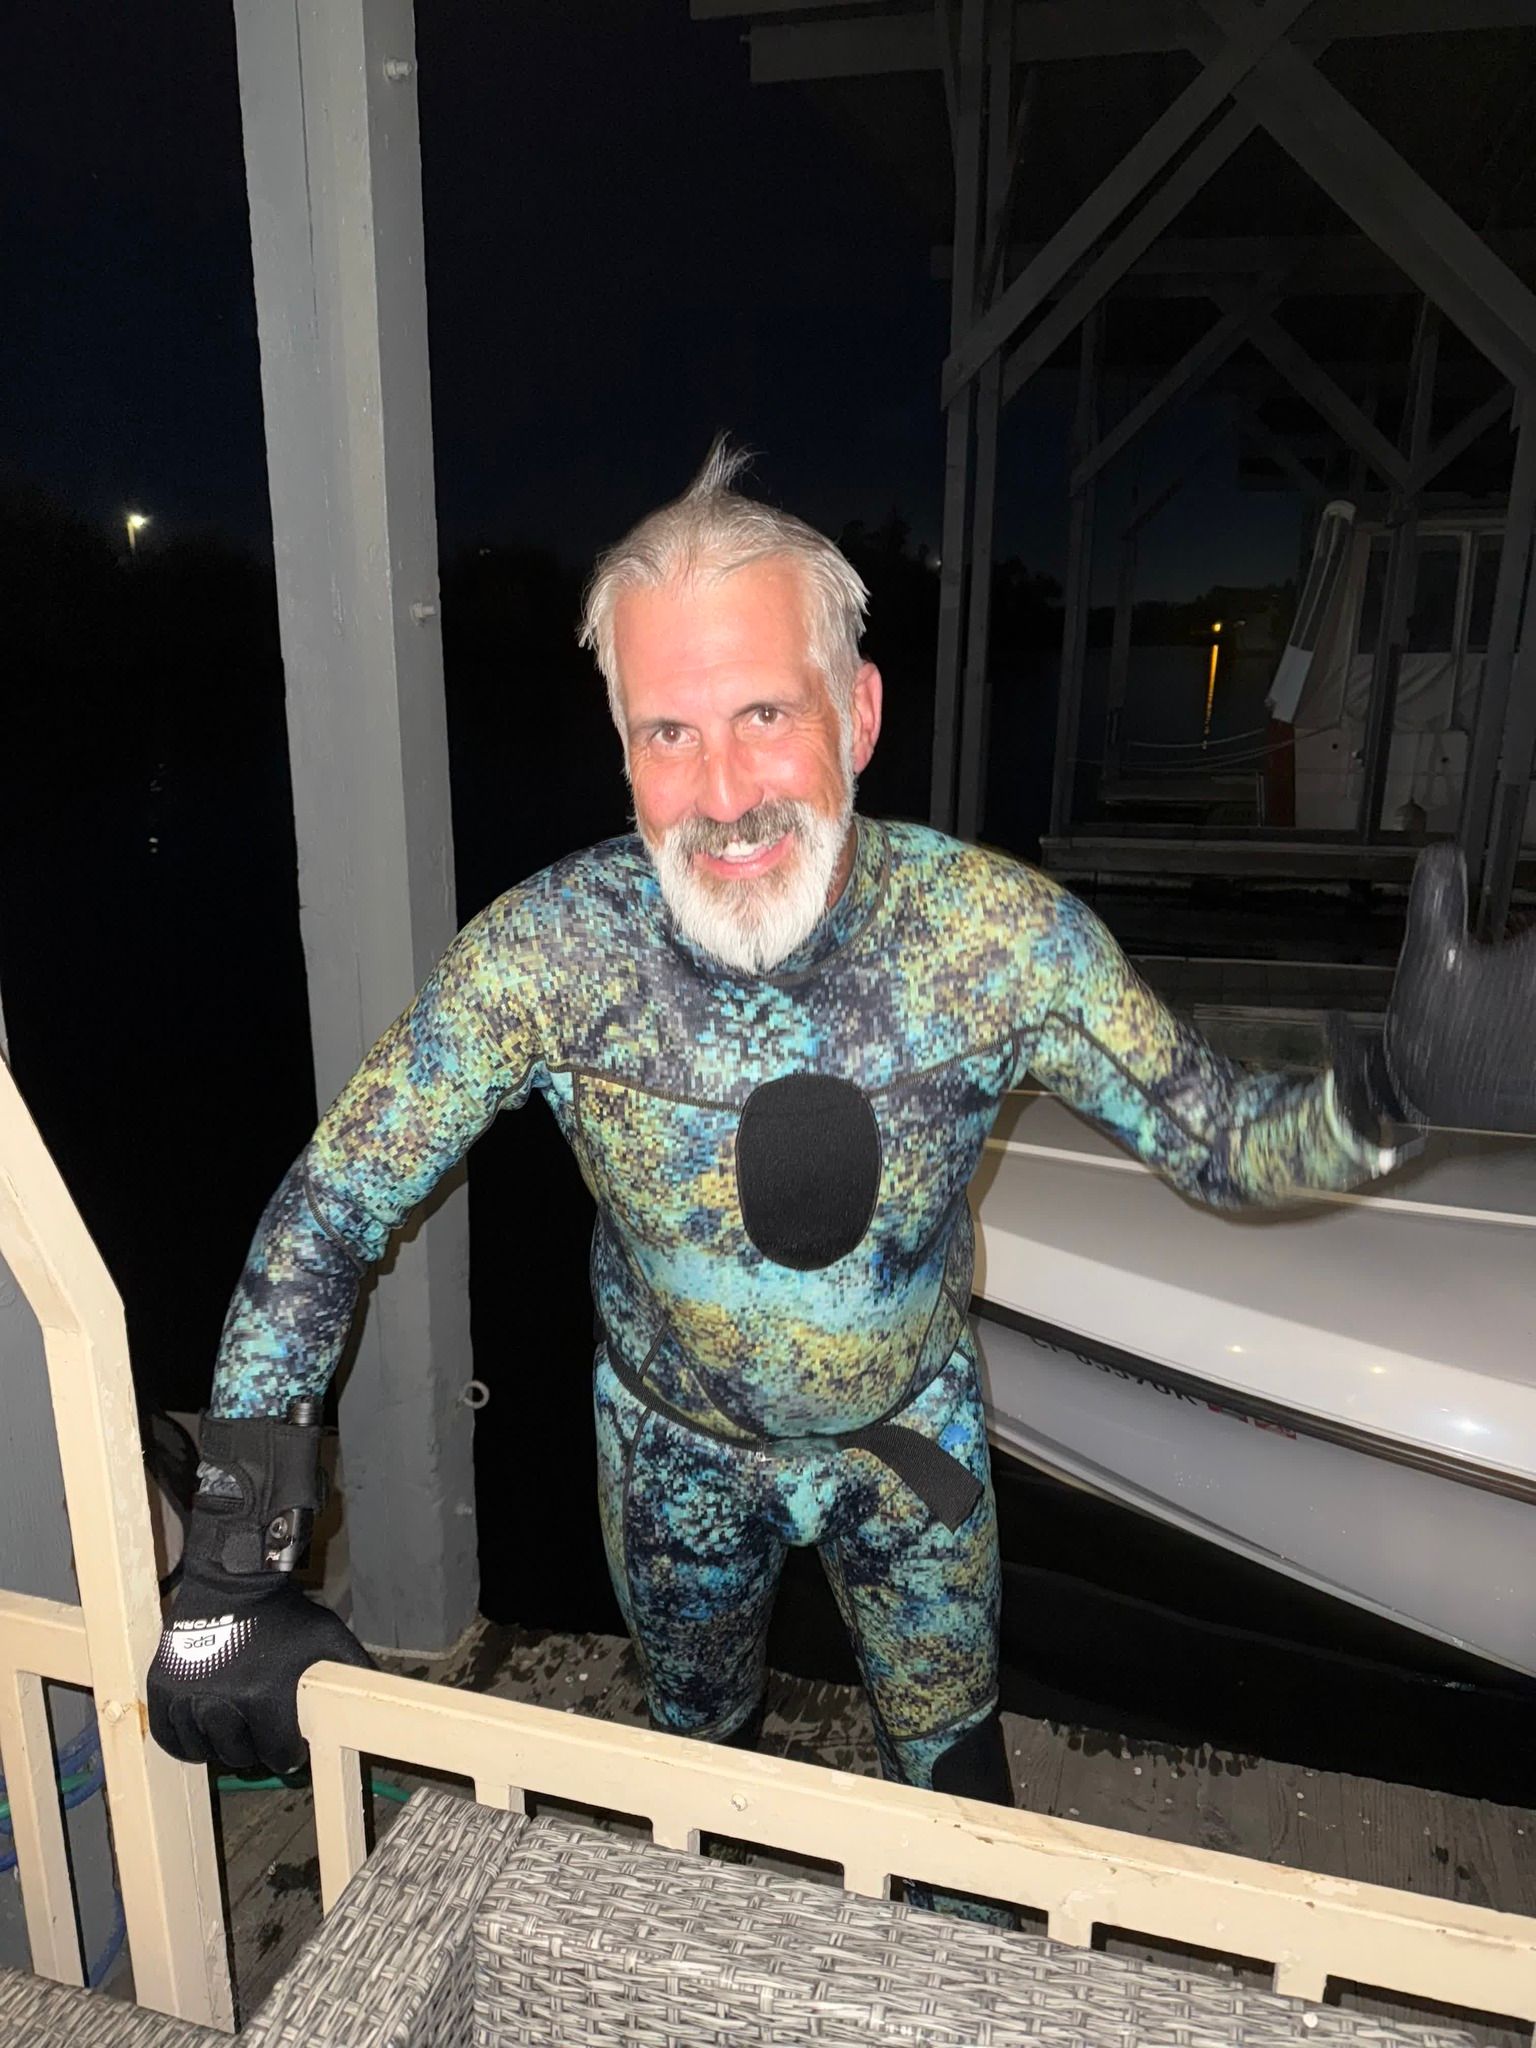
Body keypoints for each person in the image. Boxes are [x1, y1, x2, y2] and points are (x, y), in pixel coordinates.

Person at [148, 440, 1533, 1880]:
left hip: (909, 1451)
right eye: (667, 733)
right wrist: (237, 1562)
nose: (724, 790)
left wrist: (1395, 1086)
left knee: (955, 1786)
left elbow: (1219, 1147)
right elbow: (334, 1206)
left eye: (763, 713)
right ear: (621, 749)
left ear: (858, 712)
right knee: (696, 1784)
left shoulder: (998, 942)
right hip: (671, 1455)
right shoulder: (548, 959)